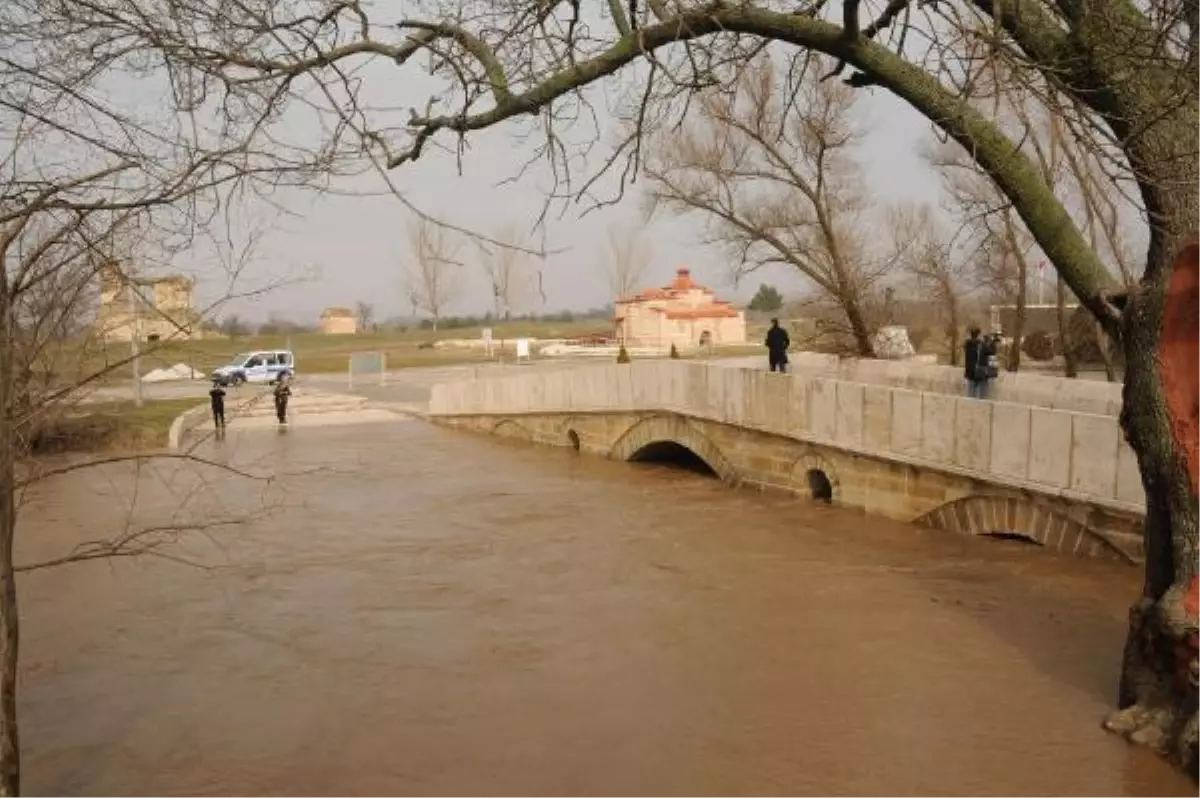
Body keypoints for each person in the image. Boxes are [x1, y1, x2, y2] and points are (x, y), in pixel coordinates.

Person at [963, 326, 995, 399]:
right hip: (980, 373)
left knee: (970, 396)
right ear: (979, 335)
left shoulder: (967, 345)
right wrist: (991, 341)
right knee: (982, 397)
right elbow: (992, 352)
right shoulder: (982, 345)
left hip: (970, 373)